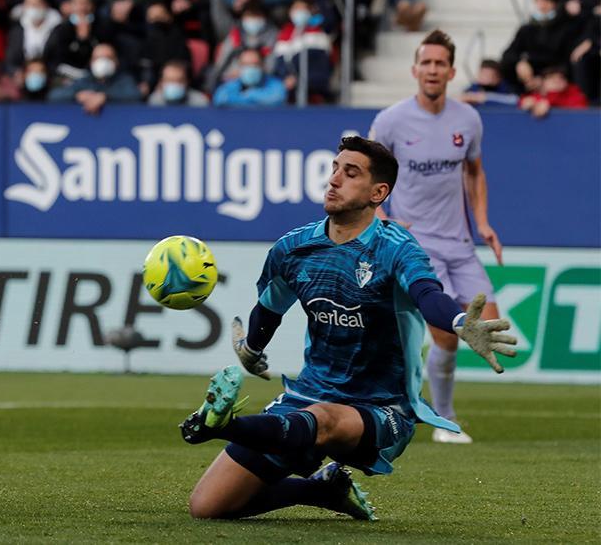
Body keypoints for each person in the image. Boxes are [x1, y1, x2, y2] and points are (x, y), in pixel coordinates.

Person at [180, 135, 517, 520]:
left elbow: (426, 293)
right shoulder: (294, 249)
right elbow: (270, 308)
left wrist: (458, 321)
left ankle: (226, 425)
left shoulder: (396, 248)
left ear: (379, 192)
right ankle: (321, 489)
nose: (334, 180)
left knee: (324, 420)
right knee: (208, 506)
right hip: (311, 392)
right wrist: (253, 349)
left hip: (382, 407)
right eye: (334, 169)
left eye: (350, 173)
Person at [369, 30, 504, 444]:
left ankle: (413, 380)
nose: (432, 70)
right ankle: (444, 419)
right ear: (415, 70)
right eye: (425, 63)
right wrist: (382, 218)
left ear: (451, 70)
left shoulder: (468, 119)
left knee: (489, 325)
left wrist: (482, 222)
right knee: (447, 332)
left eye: (439, 63)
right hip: (418, 244)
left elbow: (475, 171)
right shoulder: (390, 121)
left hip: (460, 243)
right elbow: (367, 177)